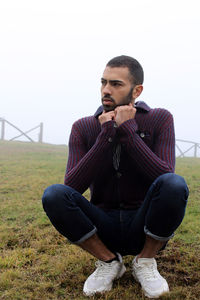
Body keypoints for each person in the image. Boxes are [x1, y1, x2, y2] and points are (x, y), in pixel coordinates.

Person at [42, 55, 189, 298]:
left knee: (174, 183)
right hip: (103, 225)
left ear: (137, 89)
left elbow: (164, 177)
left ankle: (145, 261)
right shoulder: (83, 127)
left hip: (145, 224)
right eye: (103, 83)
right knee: (54, 194)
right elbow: (72, 186)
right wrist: (106, 135)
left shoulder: (160, 119)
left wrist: (128, 132)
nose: (106, 90)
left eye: (116, 84)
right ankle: (109, 262)